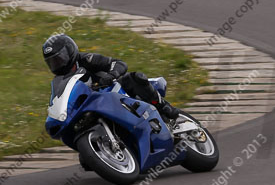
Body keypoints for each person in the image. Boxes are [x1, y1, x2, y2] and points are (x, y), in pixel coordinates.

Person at [42, 34, 179, 120]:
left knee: (136, 78)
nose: (57, 64)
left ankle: (163, 106)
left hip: (113, 90)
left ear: (70, 51)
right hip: (94, 105)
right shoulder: (60, 81)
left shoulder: (86, 59)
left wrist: (111, 75)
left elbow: (118, 63)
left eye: (60, 59)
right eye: (52, 62)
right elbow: (60, 99)